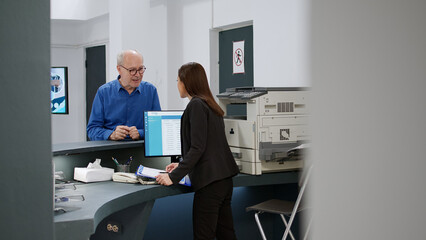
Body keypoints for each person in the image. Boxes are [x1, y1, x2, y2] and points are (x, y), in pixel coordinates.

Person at [156, 62, 239, 240]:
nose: (177, 85)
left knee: (204, 236)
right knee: (226, 234)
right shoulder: (211, 104)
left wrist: (173, 176)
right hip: (224, 180)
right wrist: (181, 164)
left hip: (210, 183)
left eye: (178, 81)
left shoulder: (195, 105)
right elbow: (208, 146)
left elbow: (198, 147)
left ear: (187, 82)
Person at [87, 50, 161, 141]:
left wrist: (141, 133)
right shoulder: (103, 92)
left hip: (140, 151)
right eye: (132, 70)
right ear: (119, 69)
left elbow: (157, 128)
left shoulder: (151, 91)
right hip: (111, 151)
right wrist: (111, 134)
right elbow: (92, 130)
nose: (138, 75)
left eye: (141, 69)